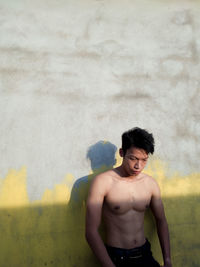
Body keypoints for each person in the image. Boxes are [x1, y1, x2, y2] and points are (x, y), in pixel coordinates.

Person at [85, 127, 172, 267]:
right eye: (133, 158)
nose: (138, 166)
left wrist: (167, 259)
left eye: (144, 160)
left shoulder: (150, 184)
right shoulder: (102, 183)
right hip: (117, 258)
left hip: (145, 254)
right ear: (121, 153)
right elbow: (91, 231)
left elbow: (161, 220)